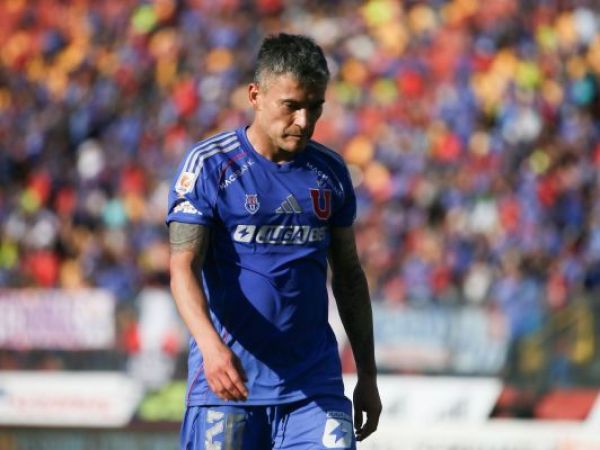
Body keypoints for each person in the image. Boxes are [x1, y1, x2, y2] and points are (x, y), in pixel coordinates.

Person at [167, 33, 381, 450]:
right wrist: (211, 348)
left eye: (315, 107)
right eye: (292, 106)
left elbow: (349, 277)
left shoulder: (330, 172)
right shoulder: (210, 166)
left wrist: (368, 376)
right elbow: (182, 268)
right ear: (256, 96)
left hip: (313, 386)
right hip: (230, 384)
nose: (304, 121)